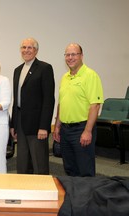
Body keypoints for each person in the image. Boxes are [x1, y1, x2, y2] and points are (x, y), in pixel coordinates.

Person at [53, 43, 104, 177]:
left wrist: (87, 131)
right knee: (69, 168)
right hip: (65, 130)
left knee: (85, 169)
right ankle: (74, 197)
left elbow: (95, 106)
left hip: (82, 129)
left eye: (74, 54)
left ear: (81, 56)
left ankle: (87, 198)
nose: (70, 57)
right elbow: (61, 104)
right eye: (67, 55)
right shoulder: (65, 77)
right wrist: (57, 126)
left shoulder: (90, 75)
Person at [10, 37, 55, 175]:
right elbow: (16, 99)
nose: (26, 50)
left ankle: (43, 192)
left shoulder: (44, 68)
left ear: (36, 50)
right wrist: (13, 125)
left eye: (30, 47)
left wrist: (44, 126)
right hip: (21, 124)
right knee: (23, 163)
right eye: (23, 47)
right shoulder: (17, 70)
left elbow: (49, 100)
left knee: (39, 163)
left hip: (37, 126)